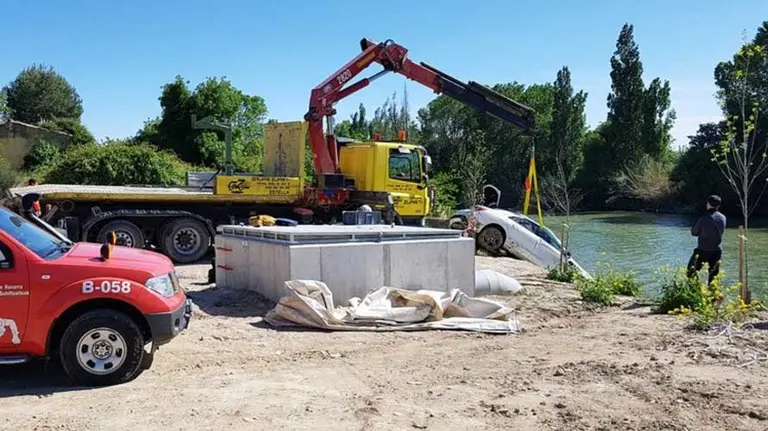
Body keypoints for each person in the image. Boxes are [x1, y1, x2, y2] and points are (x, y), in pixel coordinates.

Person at [687, 195, 726, 284]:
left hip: (703, 250)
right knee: (713, 276)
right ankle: (712, 296)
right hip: (717, 250)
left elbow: (694, 232)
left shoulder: (704, 218)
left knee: (691, 271)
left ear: (708, 204)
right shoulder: (723, 218)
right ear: (718, 205)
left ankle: (695, 291)